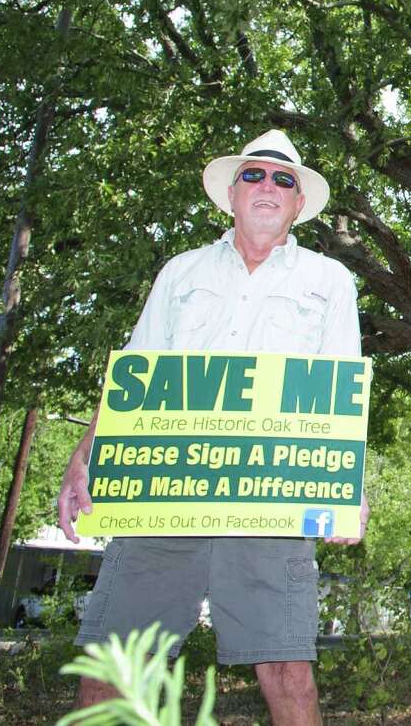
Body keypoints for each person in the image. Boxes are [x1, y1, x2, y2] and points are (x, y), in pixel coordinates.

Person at [56, 129, 367, 726]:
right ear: (232, 193)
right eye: (254, 175)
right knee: (114, 667)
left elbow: (338, 395)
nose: (268, 187)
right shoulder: (181, 271)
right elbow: (134, 376)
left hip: (271, 505)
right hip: (162, 501)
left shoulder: (330, 283)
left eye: (284, 179)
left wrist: (347, 489)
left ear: (300, 202)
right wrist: (84, 454)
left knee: (288, 672)